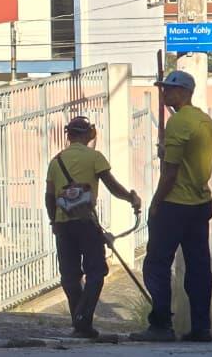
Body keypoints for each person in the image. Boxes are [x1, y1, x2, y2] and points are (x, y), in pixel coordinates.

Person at [131, 70, 212, 343]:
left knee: (156, 264)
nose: (165, 93)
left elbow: (170, 172)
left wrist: (156, 202)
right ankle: (201, 327)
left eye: (169, 89)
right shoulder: (204, 121)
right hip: (200, 202)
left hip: (175, 204)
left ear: (183, 92)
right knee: (198, 267)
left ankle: (160, 324)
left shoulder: (179, 122)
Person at [45, 116, 141, 339]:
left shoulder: (55, 161)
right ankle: (83, 319)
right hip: (87, 223)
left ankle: (80, 322)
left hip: (63, 225)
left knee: (70, 275)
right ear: (90, 135)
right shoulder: (95, 157)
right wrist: (131, 198)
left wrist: (54, 221)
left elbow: (49, 196)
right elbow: (112, 186)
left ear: (68, 135)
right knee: (96, 271)